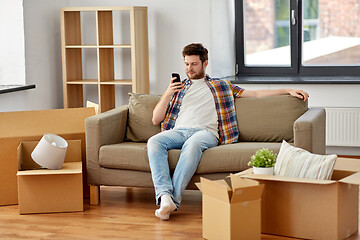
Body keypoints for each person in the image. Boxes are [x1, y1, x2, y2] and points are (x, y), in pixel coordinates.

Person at [147, 43, 309, 220]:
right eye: (186, 64)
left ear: (205, 63)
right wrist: (167, 94)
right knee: (154, 141)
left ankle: (172, 200)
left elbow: (254, 94)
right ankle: (164, 196)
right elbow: (156, 119)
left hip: (205, 132)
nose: (189, 68)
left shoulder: (221, 85)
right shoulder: (177, 89)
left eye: (194, 64)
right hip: (179, 131)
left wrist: (288, 90)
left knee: (192, 145)